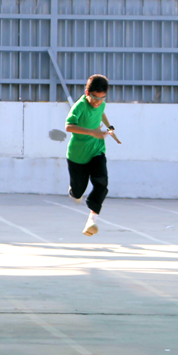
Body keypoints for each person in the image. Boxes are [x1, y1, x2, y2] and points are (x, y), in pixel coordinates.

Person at [66, 74, 116, 237]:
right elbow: (68, 126)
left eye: (101, 98)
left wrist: (110, 127)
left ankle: (92, 221)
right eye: (94, 98)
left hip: (96, 149)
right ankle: (74, 192)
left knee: (102, 182)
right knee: (78, 192)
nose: (97, 102)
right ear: (87, 93)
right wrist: (91, 132)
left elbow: (101, 112)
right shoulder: (80, 106)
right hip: (78, 155)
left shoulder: (101, 103)